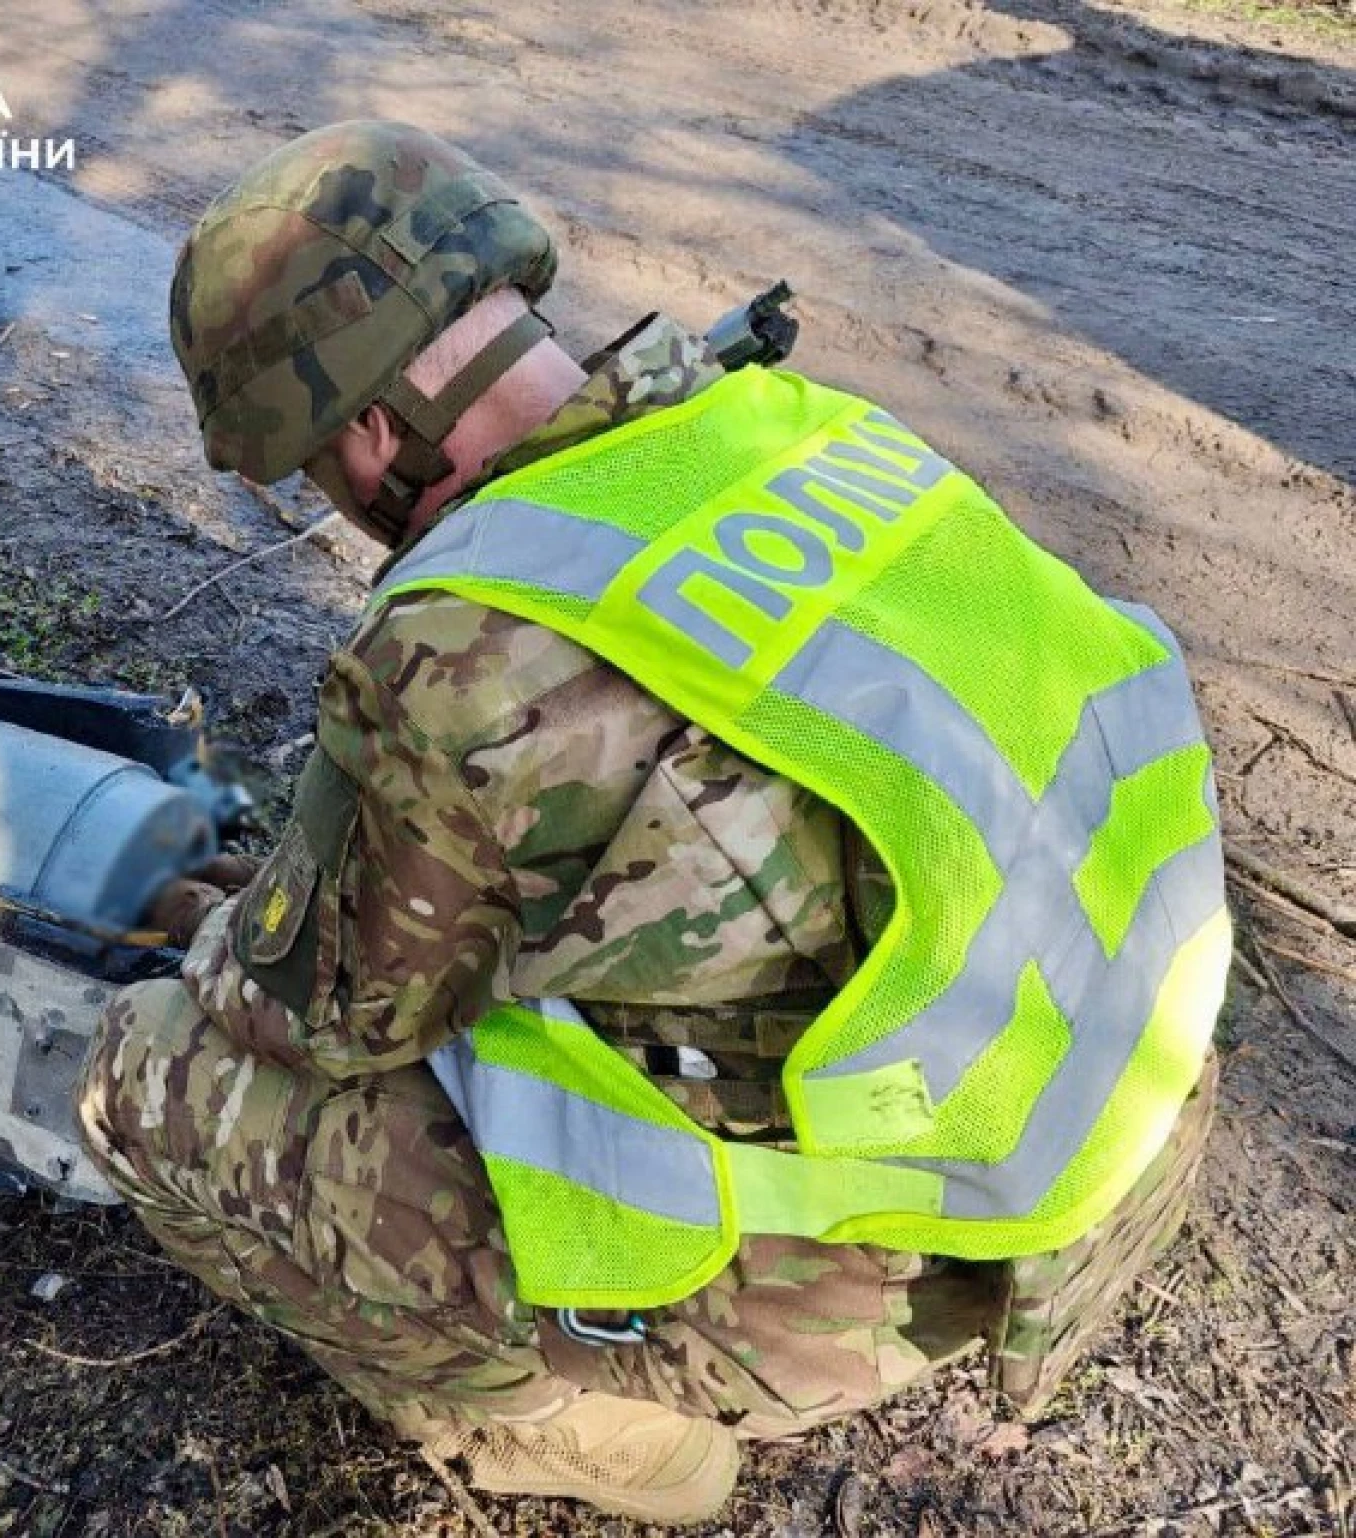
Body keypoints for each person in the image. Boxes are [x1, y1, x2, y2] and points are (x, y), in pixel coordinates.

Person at [76, 120, 1227, 1525]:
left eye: (311, 465)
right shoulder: (803, 431)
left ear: (370, 433)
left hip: (846, 1279)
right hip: (1106, 1135)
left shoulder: (460, 653)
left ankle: (575, 1430)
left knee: (142, 1079)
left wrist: (222, 938)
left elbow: (328, 1015)